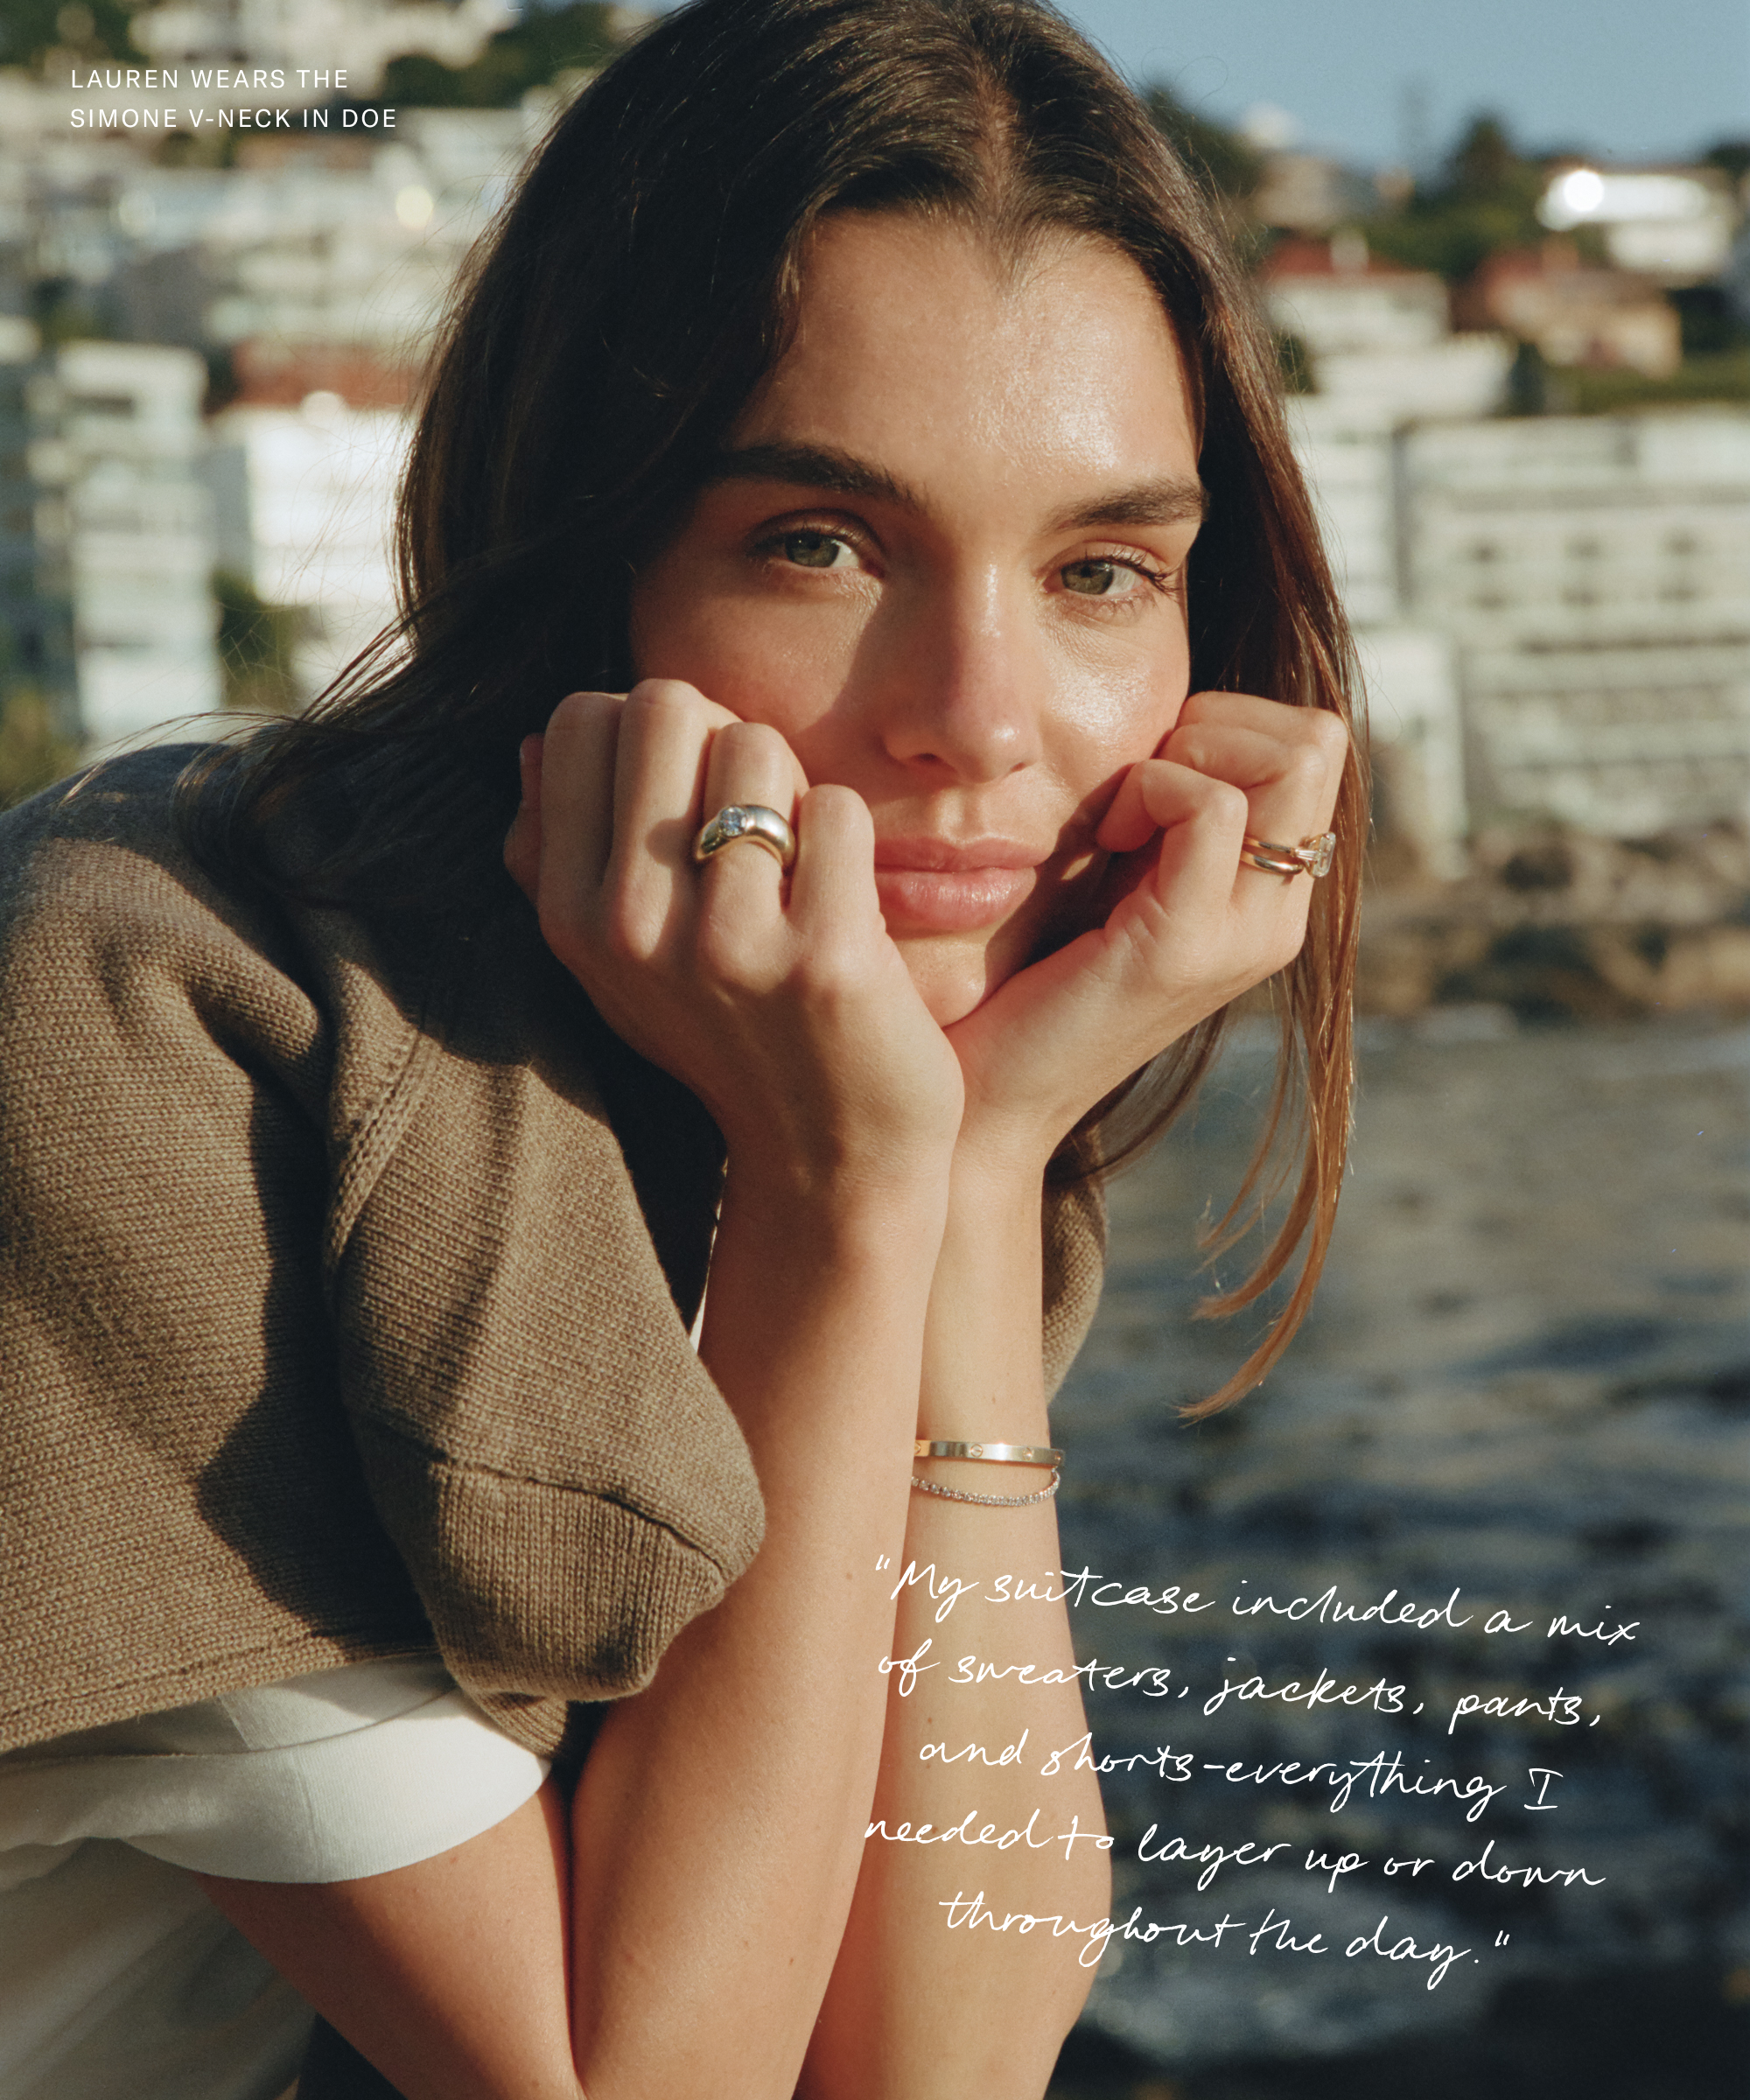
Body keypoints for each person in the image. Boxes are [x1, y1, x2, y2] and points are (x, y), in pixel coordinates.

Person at [0, 1, 1361, 2094]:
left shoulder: (807, 1075)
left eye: (1104, 570)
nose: (981, 718)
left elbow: (934, 2057)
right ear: (584, 560)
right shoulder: (143, 1018)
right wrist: (851, 1202)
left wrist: (977, 1177)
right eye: (819, 542)